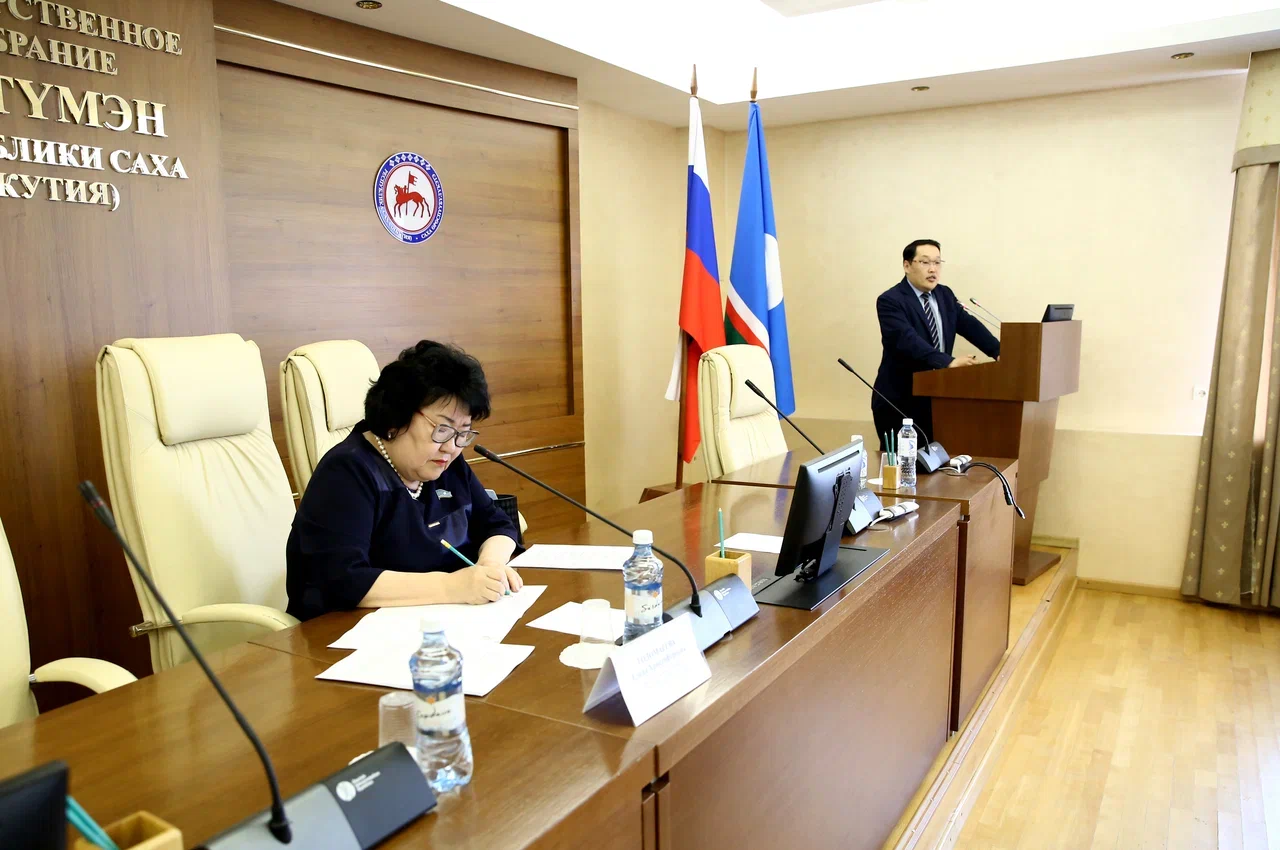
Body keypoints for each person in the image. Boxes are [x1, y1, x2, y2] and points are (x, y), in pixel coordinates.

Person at [286, 340, 523, 620]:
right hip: (348, 633)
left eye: (464, 433)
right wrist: (451, 586)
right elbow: (343, 580)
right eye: (443, 429)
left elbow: (498, 524)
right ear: (396, 417)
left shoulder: (446, 464)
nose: (452, 447)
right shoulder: (347, 472)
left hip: (439, 622)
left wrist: (490, 566)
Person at [872, 239, 1000, 449]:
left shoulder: (944, 295)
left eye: (937, 263)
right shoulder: (891, 300)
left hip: (938, 399)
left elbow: (969, 325)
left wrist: (999, 351)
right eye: (925, 262)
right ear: (907, 265)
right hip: (900, 401)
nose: (933, 269)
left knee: (937, 465)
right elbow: (907, 340)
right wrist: (947, 362)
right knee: (903, 466)